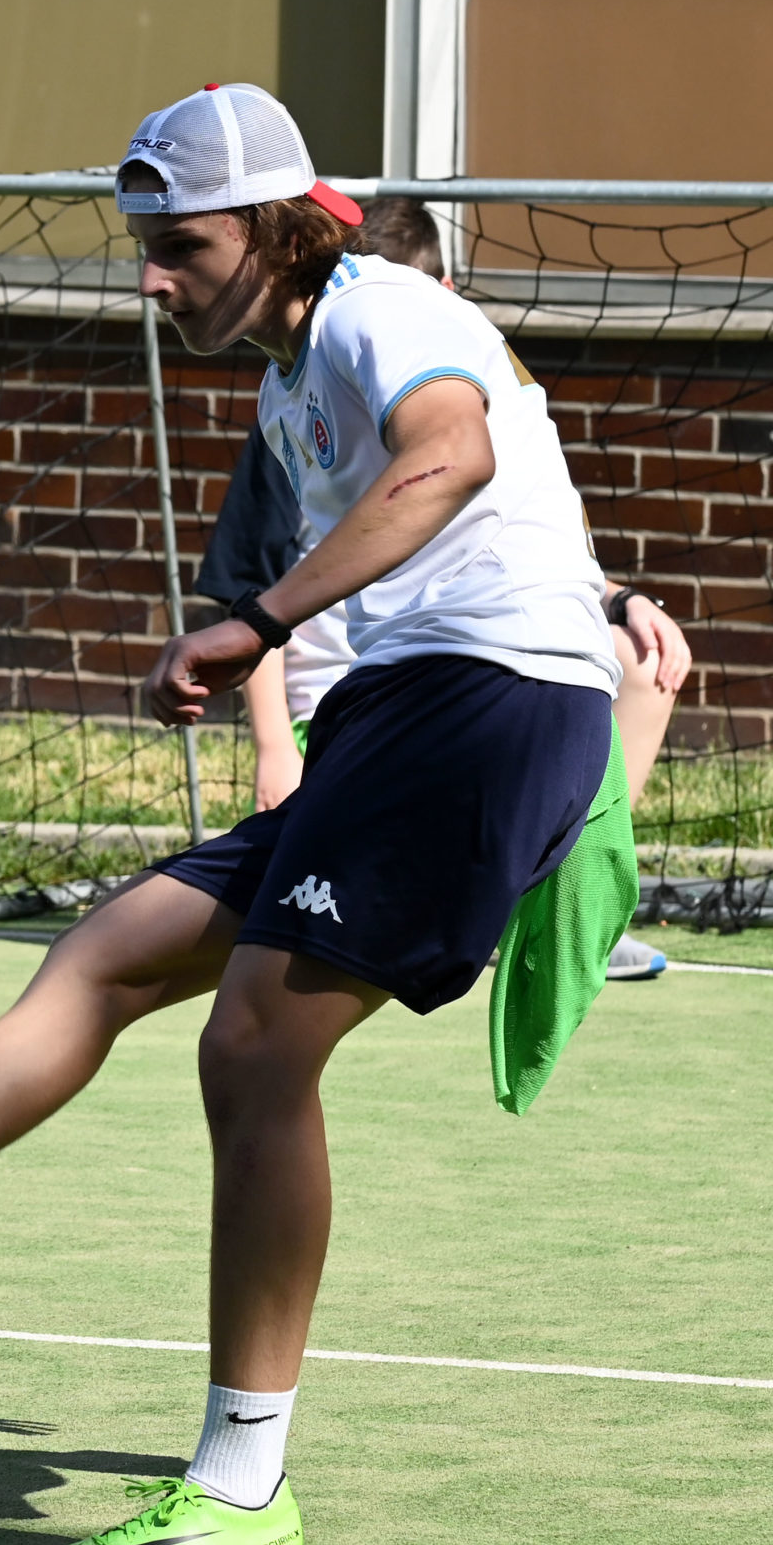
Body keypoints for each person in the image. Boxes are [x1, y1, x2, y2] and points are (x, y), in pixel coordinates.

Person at [0, 84, 634, 1545]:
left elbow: (456, 456)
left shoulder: (379, 308)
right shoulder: (291, 382)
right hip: (412, 710)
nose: (153, 281)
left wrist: (257, 622)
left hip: (481, 701)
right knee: (103, 955)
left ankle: (242, 1484)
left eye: (182, 248)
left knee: (252, 1047)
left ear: (277, 232)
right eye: (145, 249)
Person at [197, 195, 688, 981]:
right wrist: (273, 747)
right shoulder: (301, 400)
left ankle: (548, 888)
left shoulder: (453, 375)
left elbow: (499, 539)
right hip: (350, 700)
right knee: (213, 991)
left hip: (473, 681)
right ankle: (483, 892)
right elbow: (249, 593)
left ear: (444, 294)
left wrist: (619, 597)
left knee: (640, 657)